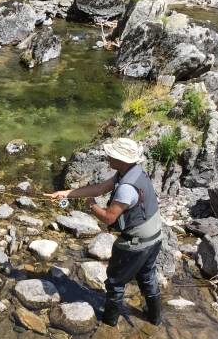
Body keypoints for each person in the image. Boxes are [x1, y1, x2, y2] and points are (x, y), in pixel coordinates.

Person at [44, 138, 162, 327]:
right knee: (147, 276)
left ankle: (109, 323)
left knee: (115, 282)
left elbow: (109, 218)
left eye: (112, 155)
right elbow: (99, 188)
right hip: (155, 237)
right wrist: (66, 193)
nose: (108, 156)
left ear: (122, 159)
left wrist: (91, 205)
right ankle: (155, 319)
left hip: (136, 243)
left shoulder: (126, 188)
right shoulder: (132, 172)